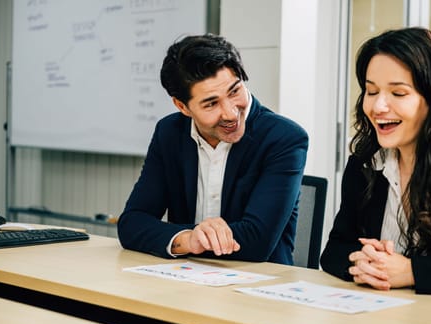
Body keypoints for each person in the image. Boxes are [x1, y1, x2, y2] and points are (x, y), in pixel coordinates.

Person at [320, 27, 431, 296]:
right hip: (376, 317)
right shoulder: (365, 161)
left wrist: (412, 271)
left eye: (398, 93)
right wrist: (361, 261)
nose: (378, 107)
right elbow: (334, 249)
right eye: (371, 91)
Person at [118, 34, 308, 265]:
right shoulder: (169, 132)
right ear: (182, 106)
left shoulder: (283, 138)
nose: (230, 113)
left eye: (234, 91)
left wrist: (192, 239)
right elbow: (132, 222)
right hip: (184, 279)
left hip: (259, 285)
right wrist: (188, 239)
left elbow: (256, 242)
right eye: (211, 103)